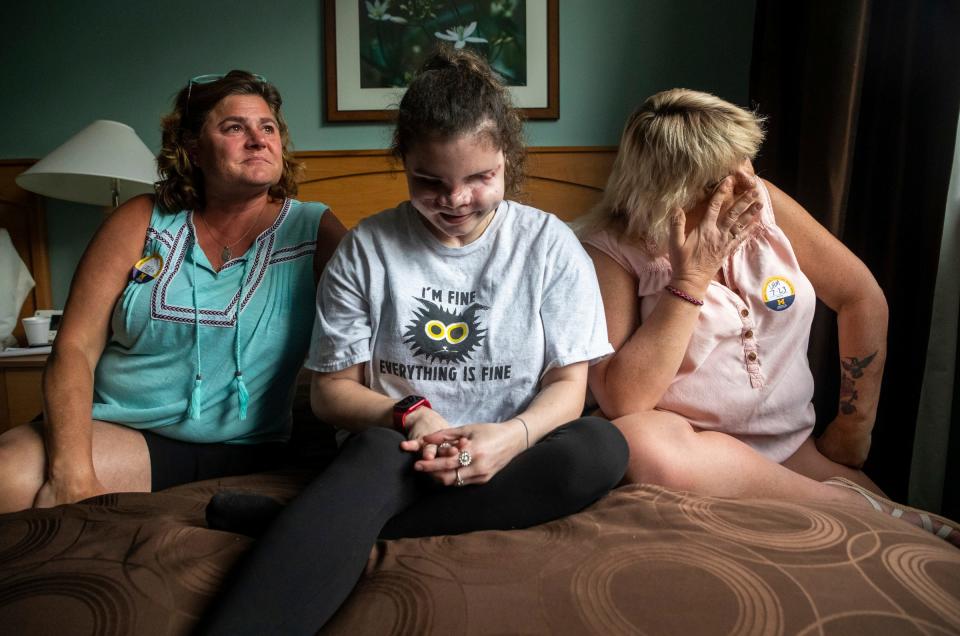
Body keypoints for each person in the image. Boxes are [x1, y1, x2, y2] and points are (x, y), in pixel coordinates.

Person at [196, 48, 628, 634]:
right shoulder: (367, 249)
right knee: (374, 451)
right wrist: (414, 417)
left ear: (507, 158)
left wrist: (508, 437)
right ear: (404, 161)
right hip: (397, 451)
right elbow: (330, 395)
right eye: (431, 182)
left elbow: (568, 386)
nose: (455, 201)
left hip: (507, 457)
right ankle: (330, 521)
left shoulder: (549, 245)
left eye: (480, 178)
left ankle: (301, 520)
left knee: (601, 447)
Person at [578, 88, 959, 546]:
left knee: (920, 550)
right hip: (694, 449)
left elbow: (862, 297)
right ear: (666, 194)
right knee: (635, 439)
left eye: (745, 162)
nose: (745, 182)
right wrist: (690, 281)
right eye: (718, 179)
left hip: (791, 446)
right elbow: (624, 399)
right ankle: (843, 507)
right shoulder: (611, 248)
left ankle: (822, 497)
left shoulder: (762, 202)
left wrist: (852, 428)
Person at [0, 71, 346, 513]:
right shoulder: (141, 219)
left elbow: (381, 313)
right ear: (193, 150)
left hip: (247, 446)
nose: (258, 140)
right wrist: (73, 473)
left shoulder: (314, 228)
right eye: (234, 127)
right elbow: (74, 347)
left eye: (268, 127)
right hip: (122, 431)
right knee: (7, 473)